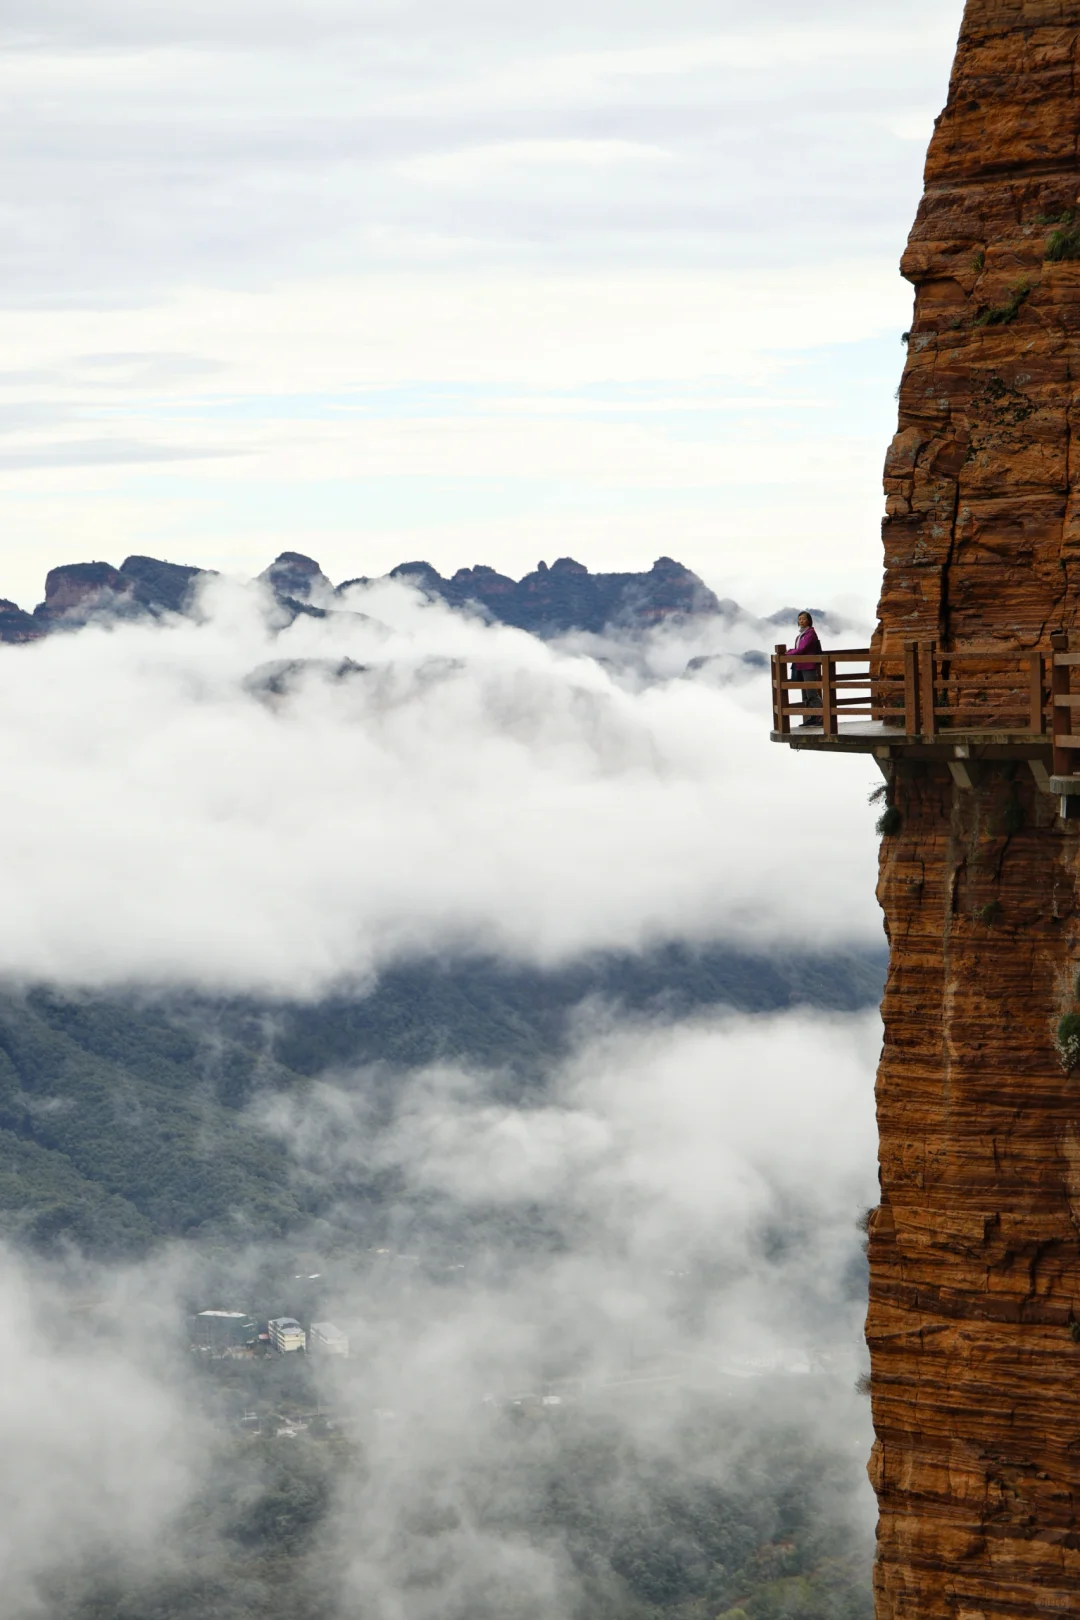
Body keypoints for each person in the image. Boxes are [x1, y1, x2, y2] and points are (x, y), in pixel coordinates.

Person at [788, 610, 823, 726]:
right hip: (801, 666)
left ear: (809, 620)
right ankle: (812, 717)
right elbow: (799, 649)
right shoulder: (800, 635)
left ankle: (821, 717)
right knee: (805, 694)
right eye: (799, 619)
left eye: (803, 619)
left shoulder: (810, 634)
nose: (801, 621)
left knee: (812, 692)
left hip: (809, 666)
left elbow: (802, 649)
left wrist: (788, 653)